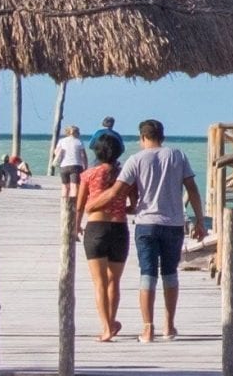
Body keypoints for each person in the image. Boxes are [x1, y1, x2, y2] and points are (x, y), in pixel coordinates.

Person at [85, 118, 208, 342]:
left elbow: (116, 192)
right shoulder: (178, 156)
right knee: (170, 274)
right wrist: (200, 220)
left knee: (147, 275)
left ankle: (148, 328)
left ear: (142, 137)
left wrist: (92, 205)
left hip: (146, 224)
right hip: (173, 224)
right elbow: (192, 189)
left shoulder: (136, 159)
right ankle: (169, 327)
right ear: (162, 136)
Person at [74, 131, 131, 341]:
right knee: (114, 281)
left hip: (96, 228)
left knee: (98, 282)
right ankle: (112, 321)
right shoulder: (125, 175)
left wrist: (76, 227)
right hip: (119, 228)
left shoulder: (88, 175)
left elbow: (79, 206)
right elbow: (133, 202)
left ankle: (106, 327)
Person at [50, 123, 87, 205]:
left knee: (65, 186)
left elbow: (56, 152)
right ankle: (73, 205)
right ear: (77, 133)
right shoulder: (79, 141)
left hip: (64, 166)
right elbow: (83, 155)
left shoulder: (61, 141)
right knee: (74, 186)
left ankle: (64, 205)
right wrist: (85, 166)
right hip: (76, 166)